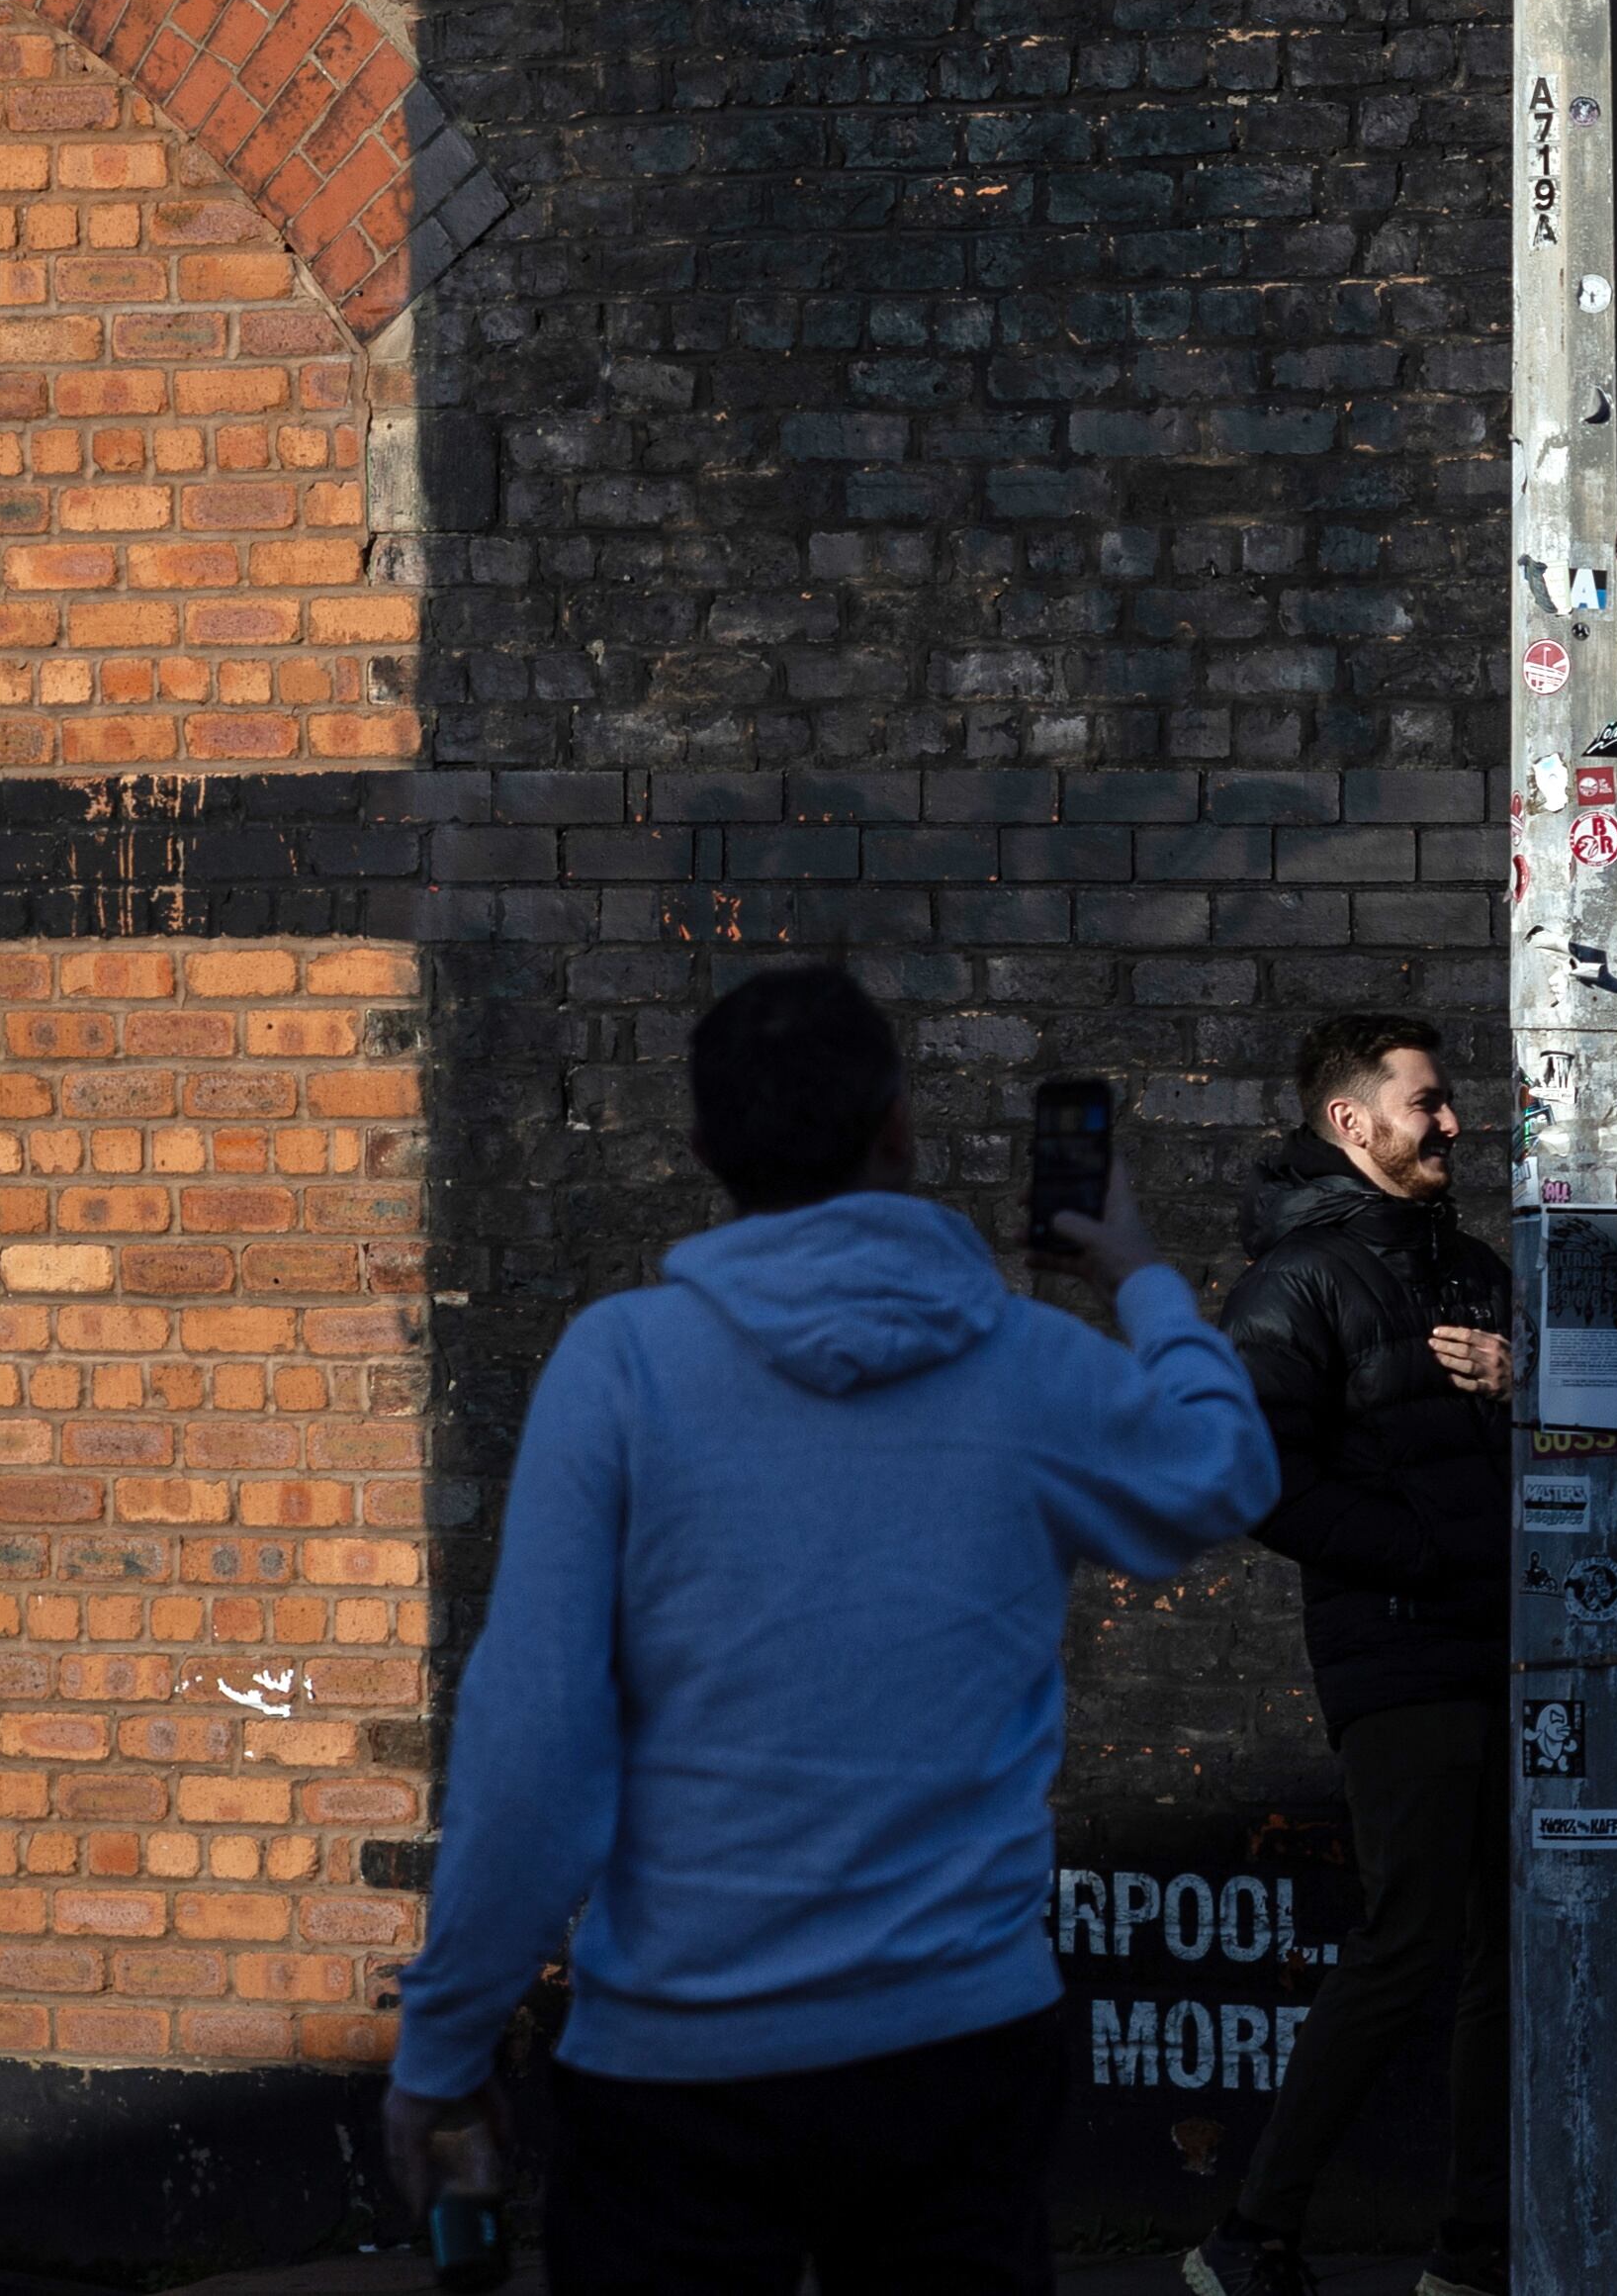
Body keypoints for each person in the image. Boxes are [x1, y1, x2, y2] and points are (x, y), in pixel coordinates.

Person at [381, 963, 1278, 2293]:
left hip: (677, 2065)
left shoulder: (620, 1367)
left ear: (702, 1150)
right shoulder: (1025, 1364)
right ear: (900, 1129)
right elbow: (1228, 1469)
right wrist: (1139, 1272)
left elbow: (531, 1750)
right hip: (955, 2050)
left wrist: (444, 2057)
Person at [1191, 1014, 1515, 2296]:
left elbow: (1598, 1424)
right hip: (1401, 1657)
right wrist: (1425, 1554)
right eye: (1427, 1103)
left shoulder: (1475, 1269)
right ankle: (1252, 2235)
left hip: (1510, 1649)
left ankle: (1478, 2251)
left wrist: (1526, 1374)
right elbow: (1254, 1478)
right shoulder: (1298, 1283)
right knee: (1414, 1934)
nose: (1452, 1123)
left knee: (1504, 1945)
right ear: (1352, 1121)